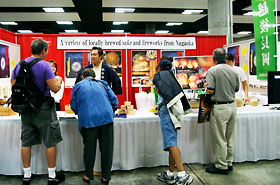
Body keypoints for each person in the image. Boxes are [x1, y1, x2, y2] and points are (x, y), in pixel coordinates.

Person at [11, 39, 65, 185]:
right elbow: (54, 88)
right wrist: (58, 80)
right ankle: (52, 176)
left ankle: (27, 175)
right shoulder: (45, 65)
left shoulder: (19, 65)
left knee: (26, 142)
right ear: (43, 51)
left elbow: (14, 86)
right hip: (43, 110)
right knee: (50, 141)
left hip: (26, 110)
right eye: (46, 51)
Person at [70, 68, 118, 184]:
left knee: (89, 149)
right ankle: (106, 176)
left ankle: (88, 175)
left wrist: (81, 112)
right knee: (107, 149)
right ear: (94, 76)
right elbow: (114, 101)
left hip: (89, 120)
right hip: (106, 119)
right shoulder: (103, 83)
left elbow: (73, 105)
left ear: (82, 77)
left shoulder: (78, 86)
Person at [153, 59, 193, 185]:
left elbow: (158, 89)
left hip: (167, 112)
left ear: (159, 68)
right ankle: (170, 173)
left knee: (171, 143)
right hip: (171, 111)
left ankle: (182, 174)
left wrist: (160, 106)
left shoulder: (160, 76)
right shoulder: (171, 77)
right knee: (172, 142)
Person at [205, 48, 239, 175]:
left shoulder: (212, 71)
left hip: (219, 107)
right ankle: (229, 162)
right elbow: (236, 89)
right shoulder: (233, 70)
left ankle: (220, 165)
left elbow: (211, 90)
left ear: (214, 58)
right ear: (225, 57)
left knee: (219, 137)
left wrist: (205, 87)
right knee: (230, 136)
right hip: (232, 106)